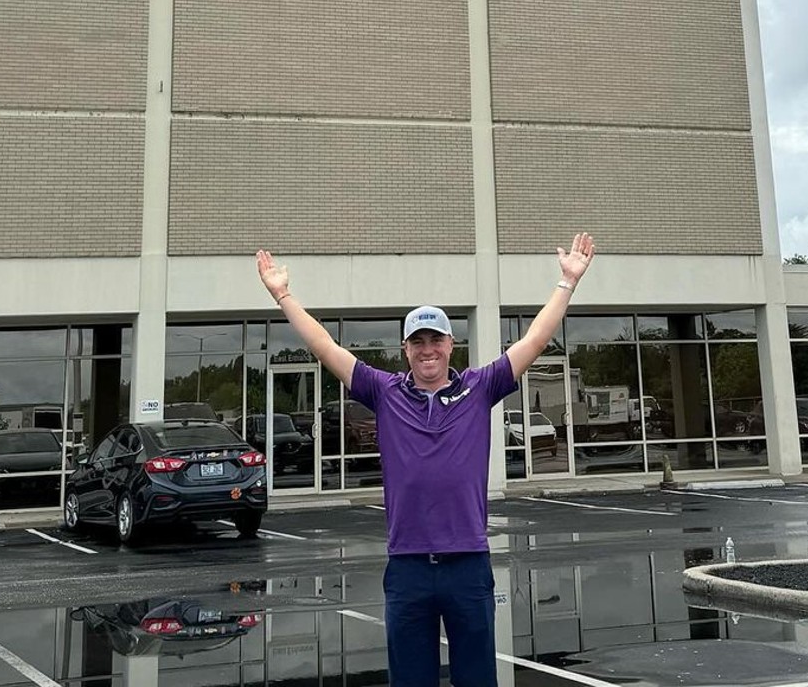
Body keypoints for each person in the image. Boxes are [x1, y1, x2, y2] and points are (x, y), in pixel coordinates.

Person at [255, 234, 596, 686]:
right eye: (418, 341)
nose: (427, 348)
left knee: (477, 679)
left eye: (436, 339)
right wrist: (283, 294)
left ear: (451, 344)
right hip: (408, 569)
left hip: (468, 566)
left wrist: (567, 282)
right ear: (406, 348)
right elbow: (324, 347)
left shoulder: (480, 387)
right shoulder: (383, 390)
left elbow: (535, 340)